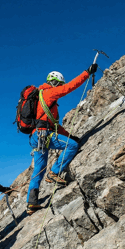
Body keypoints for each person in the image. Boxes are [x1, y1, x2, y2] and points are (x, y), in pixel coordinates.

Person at [27, 64, 98, 215]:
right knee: (72, 146)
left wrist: (67, 135)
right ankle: (54, 172)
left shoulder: (41, 98)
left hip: (36, 136)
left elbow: (53, 124)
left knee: (38, 170)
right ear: (54, 82)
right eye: (59, 84)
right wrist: (87, 73)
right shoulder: (48, 93)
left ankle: (31, 203)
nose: (60, 87)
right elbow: (70, 87)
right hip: (43, 134)